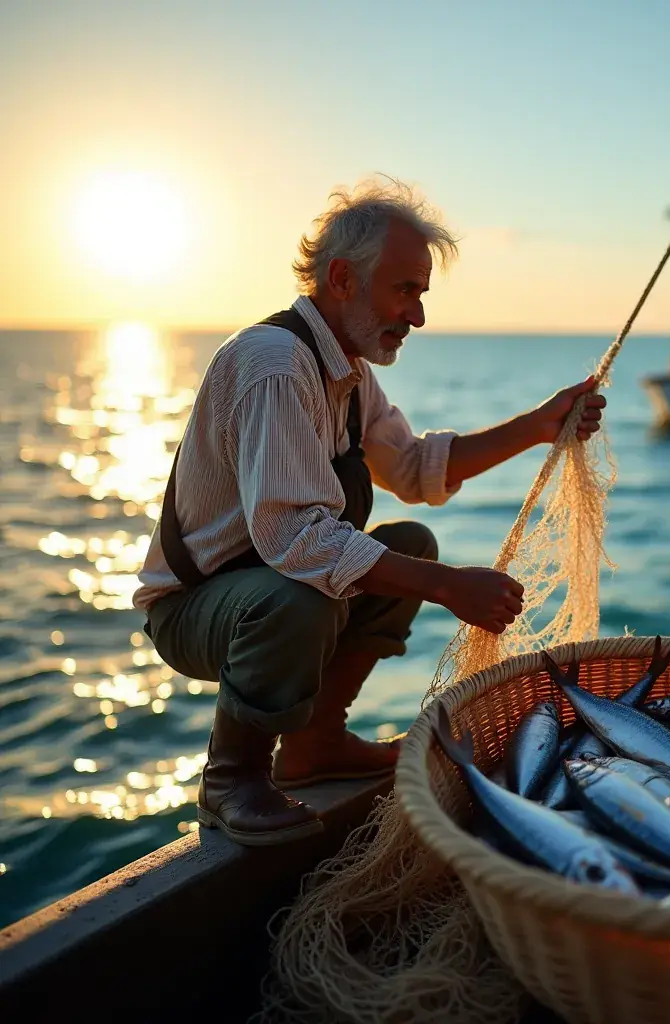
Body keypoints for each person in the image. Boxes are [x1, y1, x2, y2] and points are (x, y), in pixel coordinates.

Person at [132, 178, 606, 847]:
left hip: (261, 591)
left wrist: (537, 425)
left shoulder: (347, 372)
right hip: (193, 610)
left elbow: (412, 468)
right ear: (343, 279)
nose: (416, 317)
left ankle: (313, 745)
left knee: (408, 541)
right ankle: (231, 778)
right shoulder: (274, 364)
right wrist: (448, 588)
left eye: (421, 295)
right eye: (405, 291)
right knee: (306, 595)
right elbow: (295, 538)